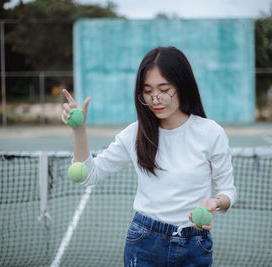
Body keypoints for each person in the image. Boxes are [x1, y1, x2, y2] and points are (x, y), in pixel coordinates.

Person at [61, 46, 237, 266]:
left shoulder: (211, 132)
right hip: (144, 242)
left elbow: (227, 191)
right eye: (148, 90)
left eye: (164, 89)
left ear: (182, 85)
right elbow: (88, 175)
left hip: (195, 243)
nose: (155, 98)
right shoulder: (134, 134)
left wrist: (215, 202)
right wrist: (79, 130)